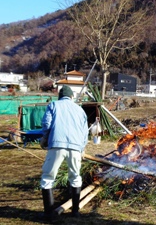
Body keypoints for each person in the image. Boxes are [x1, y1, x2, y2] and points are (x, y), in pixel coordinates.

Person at [40, 85, 88, 220]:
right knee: (75, 176)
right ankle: (75, 211)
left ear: (60, 96)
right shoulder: (80, 110)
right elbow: (85, 132)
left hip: (56, 145)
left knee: (48, 177)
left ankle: (49, 213)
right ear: (71, 96)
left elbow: (47, 124)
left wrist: (45, 137)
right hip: (75, 147)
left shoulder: (53, 105)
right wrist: (82, 148)